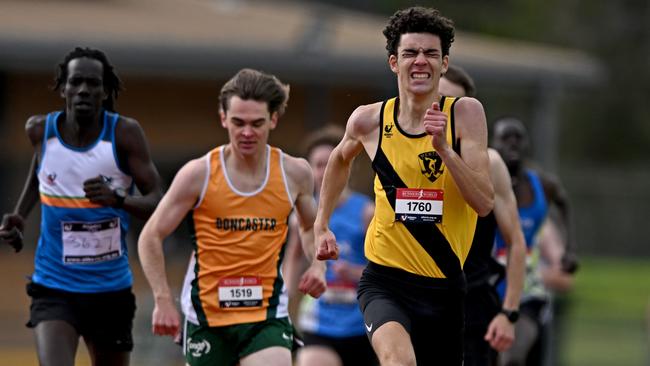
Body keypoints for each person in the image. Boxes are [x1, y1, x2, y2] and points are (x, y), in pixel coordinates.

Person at [314, 7, 495, 365]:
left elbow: (484, 202)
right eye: (411, 53)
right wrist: (321, 224)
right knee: (399, 362)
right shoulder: (368, 120)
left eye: (430, 53)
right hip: (384, 280)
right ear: (394, 63)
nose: (420, 62)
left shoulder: (465, 114)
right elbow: (338, 161)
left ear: (444, 64)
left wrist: (443, 147)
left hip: (443, 285)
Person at [137, 68, 327, 366]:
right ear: (223, 118)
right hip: (206, 316)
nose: (247, 133)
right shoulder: (198, 174)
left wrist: (318, 266)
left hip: (265, 315)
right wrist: (162, 299)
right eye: (238, 123)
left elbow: (310, 227)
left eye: (257, 123)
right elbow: (151, 235)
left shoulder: (295, 173)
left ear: (274, 120)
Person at [0, 46, 163, 366]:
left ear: (105, 91)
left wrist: (118, 200)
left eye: (93, 83)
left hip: (110, 291)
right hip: (54, 288)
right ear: (63, 88)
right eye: (76, 82)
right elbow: (41, 171)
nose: (84, 90)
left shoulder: (124, 134)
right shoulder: (40, 130)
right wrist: (21, 213)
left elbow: (160, 201)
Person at [440, 65, 527, 366]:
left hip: (472, 305)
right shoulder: (402, 158)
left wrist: (509, 313)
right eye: (436, 101)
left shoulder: (490, 163)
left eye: (453, 105)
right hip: (415, 298)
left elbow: (516, 242)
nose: (442, 112)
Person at [283, 125, 377, 366]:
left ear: (347, 166)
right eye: (318, 164)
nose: (324, 171)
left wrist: (356, 273)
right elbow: (293, 258)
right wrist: (284, 299)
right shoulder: (303, 214)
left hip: (362, 324)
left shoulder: (367, 212)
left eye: (330, 163)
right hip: (319, 323)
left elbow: (386, 268)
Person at [491, 116, 575, 366]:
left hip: (527, 297)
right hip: (487, 292)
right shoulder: (480, 187)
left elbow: (564, 277)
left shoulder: (542, 210)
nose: (513, 145)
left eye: (519, 138)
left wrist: (537, 270)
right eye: (506, 138)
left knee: (512, 353)